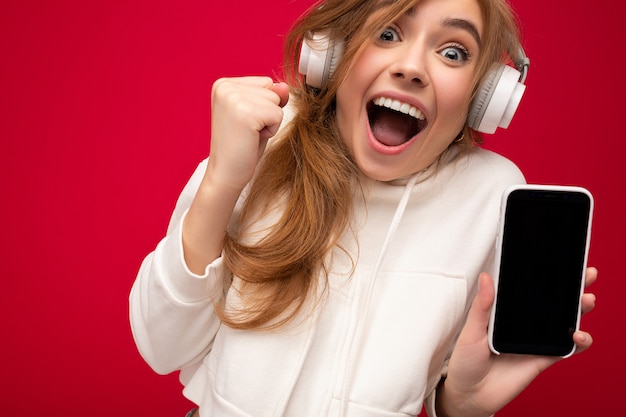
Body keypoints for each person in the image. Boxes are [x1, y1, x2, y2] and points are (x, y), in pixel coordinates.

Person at [130, 0, 597, 416]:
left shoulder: (492, 196)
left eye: (453, 52)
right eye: (388, 33)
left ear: (483, 97)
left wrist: (462, 405)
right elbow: (161, 347)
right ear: (333, 54)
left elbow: (446, 383)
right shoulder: (264, 142)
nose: (412, 67)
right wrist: (221, 183)